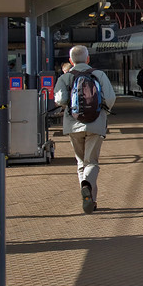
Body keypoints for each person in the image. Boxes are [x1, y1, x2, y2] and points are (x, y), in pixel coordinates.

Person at [53, 45, 116, 214]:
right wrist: (102, 110)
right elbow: (110, 98)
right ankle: (88, 189)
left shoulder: (65, 77)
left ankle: (88, 198)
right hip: (96, 124)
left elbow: (60, 100)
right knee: (92, 162)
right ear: (88, 59)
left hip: (73, 125)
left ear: (70, 61)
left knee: (81, 162)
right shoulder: (99, 74)